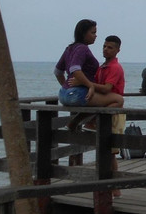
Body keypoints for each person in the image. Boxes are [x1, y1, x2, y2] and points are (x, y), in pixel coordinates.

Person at [54, 19, 125, 111]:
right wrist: (89, 85)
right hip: (77, 94)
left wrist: (67, 87)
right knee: (118, 100)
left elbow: (58, 72)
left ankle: (72, 125)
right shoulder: (82, 48)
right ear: (84, 33)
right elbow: (75, 69)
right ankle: (98, 121)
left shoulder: (70, 48)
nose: (95, 36)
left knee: (96, 102)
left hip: (63, 94)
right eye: (93, 33)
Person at [94, 36, 125, 187]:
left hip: (114, 112)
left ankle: (114, 187)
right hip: (104, 108)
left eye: (110, 47)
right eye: (105, 46)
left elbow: (106, 88)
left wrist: (86, 84)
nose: (106, 49)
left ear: (118, 50)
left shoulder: (114, 67)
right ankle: (105, 184)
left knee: (111, 152)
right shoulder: (102, 67)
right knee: (103, 150)